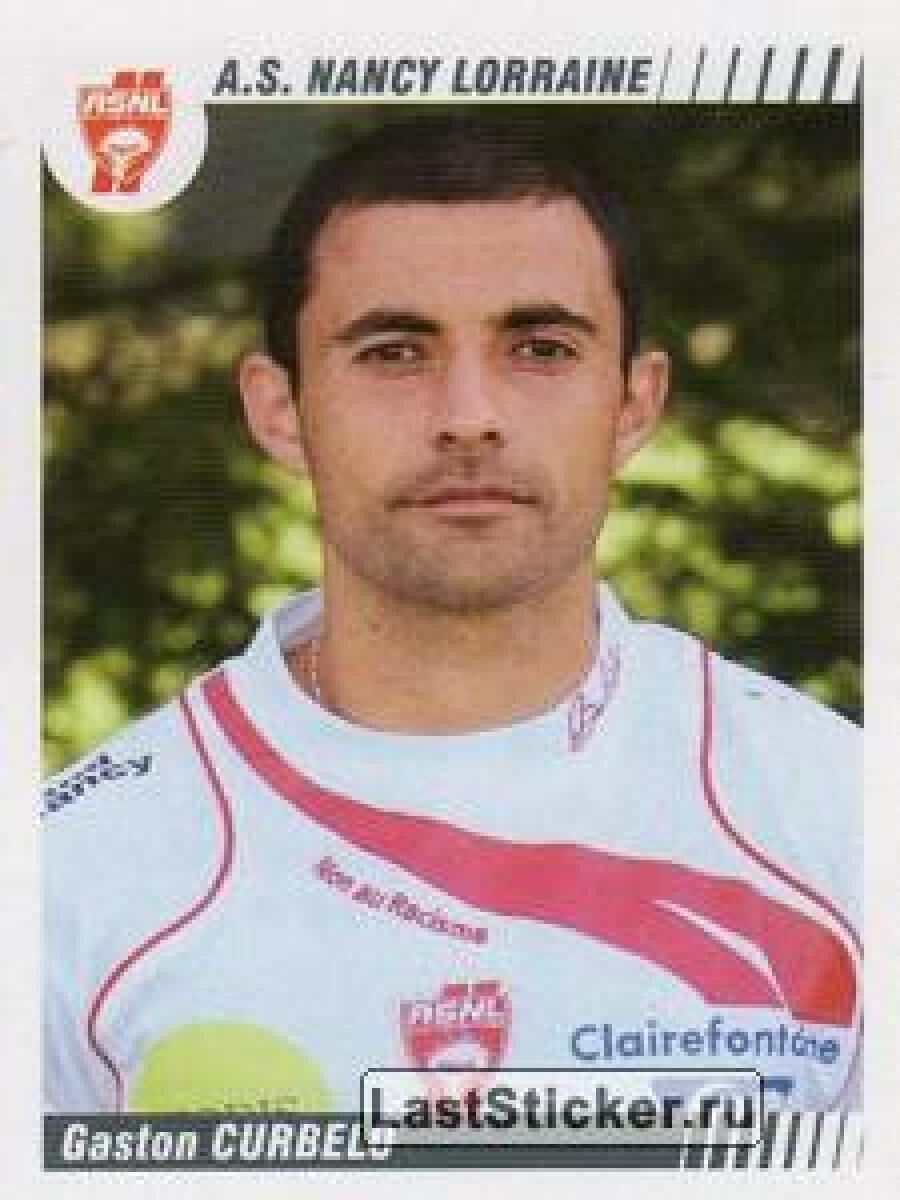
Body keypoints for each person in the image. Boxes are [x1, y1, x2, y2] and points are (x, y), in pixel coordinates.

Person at [43, 116, 861, 1118]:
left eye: (542, 348)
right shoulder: (76, 870)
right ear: (281, 410)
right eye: (394, 351)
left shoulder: (841, 818)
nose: (470, 414)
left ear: (635, 404)